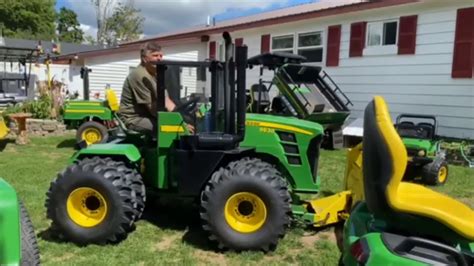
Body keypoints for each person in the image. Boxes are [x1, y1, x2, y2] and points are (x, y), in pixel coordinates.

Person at [118, 41, 193, 134]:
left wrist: (182, 116)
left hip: (147, 115)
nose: (159, 59)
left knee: (179, 125)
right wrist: (180, 125)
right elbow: (152, 108)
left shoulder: (156, 73)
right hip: (134, 118)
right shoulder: (140, 75)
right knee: (171, 129)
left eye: (161, 56)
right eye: (155, 55)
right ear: (144, 59)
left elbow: (166, 100)